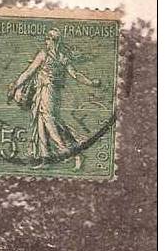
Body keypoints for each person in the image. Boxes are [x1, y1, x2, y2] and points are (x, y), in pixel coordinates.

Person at [8, 28, 101, 170]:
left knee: (50, 122)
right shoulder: (58, 56)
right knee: (41, 123)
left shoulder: (48, 55)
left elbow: (28, 72)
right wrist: (91, 82)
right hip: (45, 92)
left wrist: (15, 86)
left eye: (48, 39)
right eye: (47, 39)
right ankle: (46, 158)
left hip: (48, 92)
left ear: (53, 41)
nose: (46, 41)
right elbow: (74, 74)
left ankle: (70, 152)